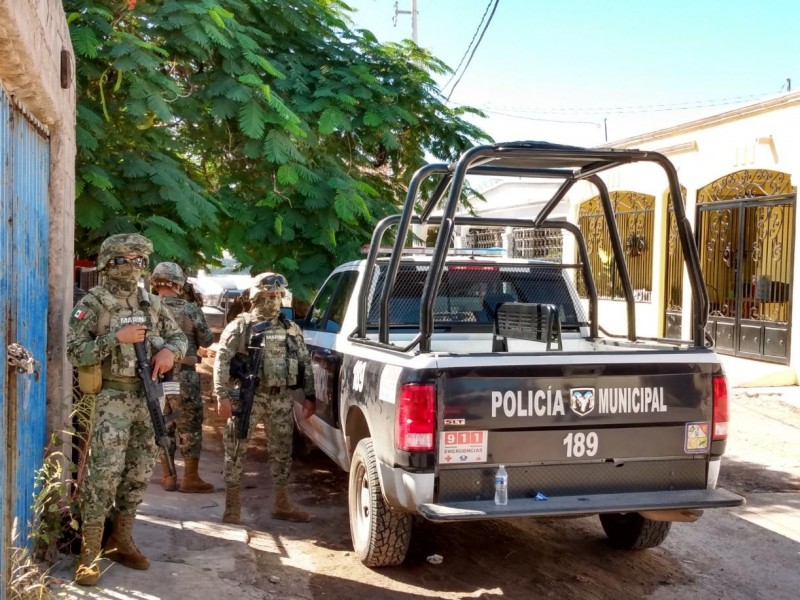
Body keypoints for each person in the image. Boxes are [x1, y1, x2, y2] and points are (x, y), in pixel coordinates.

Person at [66, 233, 188, 586]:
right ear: (108, 264)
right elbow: (75, 351)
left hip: (147, 398)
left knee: (137, 473)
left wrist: (169, 353)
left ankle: (122, 541)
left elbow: (178, 337)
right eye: (126, 261)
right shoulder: (94, 304)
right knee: (103, 476)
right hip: (111, 401)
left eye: (139, 262)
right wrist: (113, 340)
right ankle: (89, 556)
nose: (133, 268)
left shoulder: (151, 303)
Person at [213, 272, 316, 524]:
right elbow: (222, 359)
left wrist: (310, 395)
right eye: (269, 295)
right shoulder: (241, 325)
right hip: (250, 396)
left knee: (282, 452)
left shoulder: (291, 328)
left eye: (278, 296)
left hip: (280, 398)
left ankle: (282, 503)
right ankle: (232, 508)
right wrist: (221, 394)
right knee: (236, 450)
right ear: (256, 297)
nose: (274, 300)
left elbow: (304, 362)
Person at [150, 262, 215, 493]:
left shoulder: (146, 307)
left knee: (162, 424)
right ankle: (190, 477)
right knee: (189, 425)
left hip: (154, 377)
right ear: (179, 284)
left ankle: (168, 476)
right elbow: (207, 341)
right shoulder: (190, 310)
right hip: (183, 376)